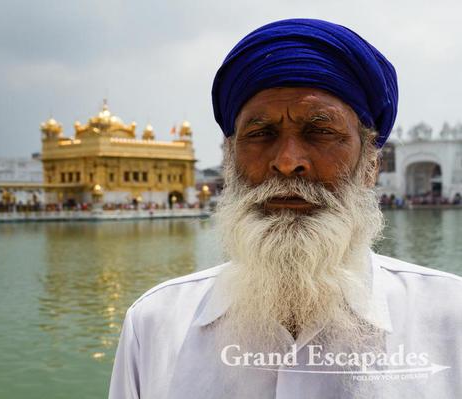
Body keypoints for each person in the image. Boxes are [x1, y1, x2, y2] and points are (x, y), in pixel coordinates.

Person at [108, 19, 462, 398]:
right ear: (230, 159)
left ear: (371, 164)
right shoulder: (157, 324)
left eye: (321, 131)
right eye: (261, 134)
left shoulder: (451, 321)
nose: (288, 161)